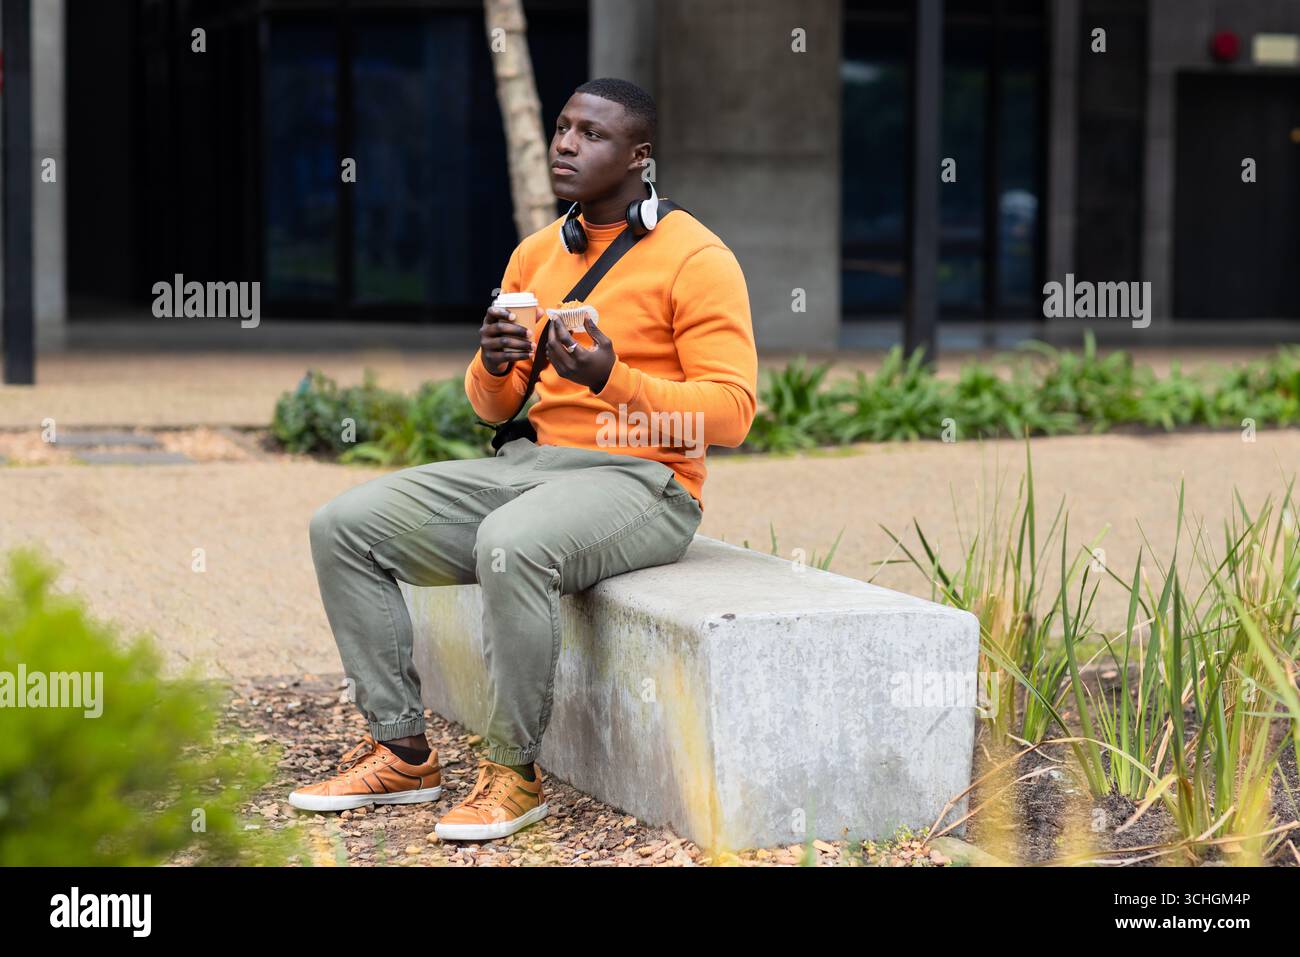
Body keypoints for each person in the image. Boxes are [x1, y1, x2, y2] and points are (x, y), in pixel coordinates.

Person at [289, 77, 757, 842]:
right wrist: (495, 361)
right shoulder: (536, 254)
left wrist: (611, 377)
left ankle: (514, 773)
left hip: (646, 480)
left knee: (511, 544)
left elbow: (733, 413)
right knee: (342, 524)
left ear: (640, 157)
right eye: (563, 128)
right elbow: (492, 408)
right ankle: (402, 751)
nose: (566, 144)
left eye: (591, 134)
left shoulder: (697, 258)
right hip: (530, 465)